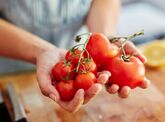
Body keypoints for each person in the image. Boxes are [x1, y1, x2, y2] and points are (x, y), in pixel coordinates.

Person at [0, 0, 150, 112]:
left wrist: (105, 37)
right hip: (11, 64)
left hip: (79, 57)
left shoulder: (83, 66)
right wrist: (40, 51)